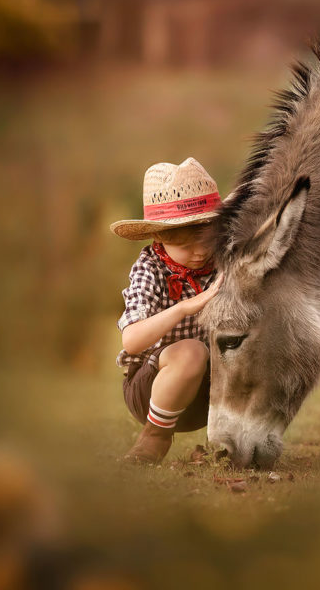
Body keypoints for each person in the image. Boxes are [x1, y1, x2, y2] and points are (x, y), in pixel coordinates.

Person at [111, 157, 224, 464]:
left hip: (214, 392)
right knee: (191, 351)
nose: (200, 253)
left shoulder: (224, 261)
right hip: (152, 391)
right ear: (159, 236)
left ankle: (241, 437)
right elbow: (131, 341)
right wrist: (185, 308)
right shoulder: (150, 268)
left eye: (207, 241)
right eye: (187, 246)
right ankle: (154, 439)